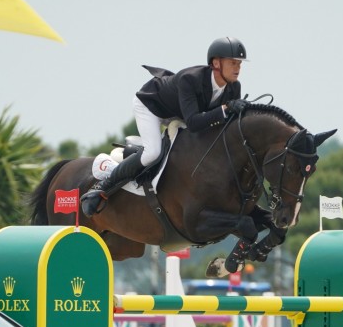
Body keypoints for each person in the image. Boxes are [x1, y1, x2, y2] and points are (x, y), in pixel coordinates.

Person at [81, 37, 248, 217]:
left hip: (178, 113)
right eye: (233, 63)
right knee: (153, 152)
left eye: (239, 64)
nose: (238, 68)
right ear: (216, 63)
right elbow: (193, 123)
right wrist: (224, 110)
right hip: (151, 106)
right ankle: (103, 185)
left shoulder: (233, 88)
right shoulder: (191, 79)